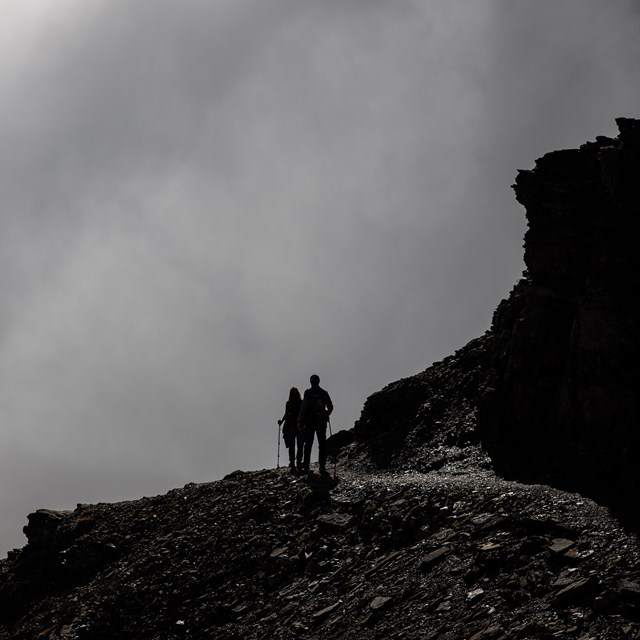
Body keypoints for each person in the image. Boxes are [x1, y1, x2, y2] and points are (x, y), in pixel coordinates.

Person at [298, 374, 333, 474]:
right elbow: (330, 406)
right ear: (319, 381)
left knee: (308, 443)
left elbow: (303, 407)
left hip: (309, 422)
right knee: (322, 443)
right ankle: (322, 466)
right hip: (321, 421)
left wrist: (300, 421)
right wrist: (327, 413)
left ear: (311, 382)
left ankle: (306, 466)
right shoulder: (324, 393)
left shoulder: (308, 393)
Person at [278, 387, 303, 473]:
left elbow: (286, 414)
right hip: (299, 426)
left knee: (292, 445)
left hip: (290, 425)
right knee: (300, 445)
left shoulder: (289, 403)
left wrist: (281, 422)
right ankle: (299, 462)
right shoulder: (301, 403)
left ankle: (292, 463)